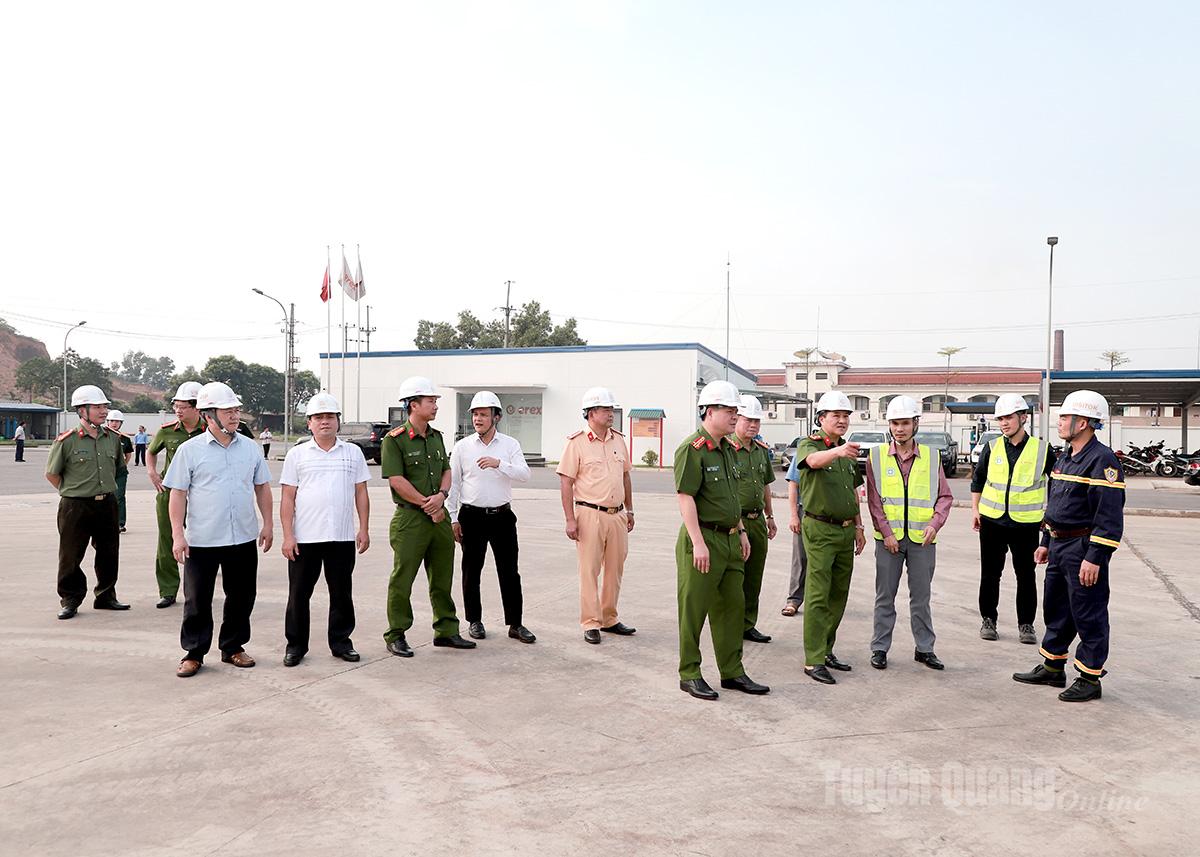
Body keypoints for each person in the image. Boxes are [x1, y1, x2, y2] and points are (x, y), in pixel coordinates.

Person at [1014, 390, 1124, 703]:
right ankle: (1053, 666)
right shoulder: (1066, 456)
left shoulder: (1102, 460)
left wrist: (1095, 557)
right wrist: (1046, 540)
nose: (1060, 422)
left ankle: (1090, 678)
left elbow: (1109, 516)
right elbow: (1058, 503)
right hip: (1060, 546)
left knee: (1088, 612)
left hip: (1083, 548)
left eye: (1065, 417)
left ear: (1085, 422)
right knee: (1057, 608)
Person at [166, 382, 273, 678]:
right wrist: (178, 533)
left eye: (236, 410)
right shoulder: (190, 451)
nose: (235, 415)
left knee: (241, 596)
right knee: (197, 599)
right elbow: (178, 494)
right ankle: (194, 653)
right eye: (228, 410)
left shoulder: (250, 448)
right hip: (203, 539)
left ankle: (233, 647)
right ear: (209, 415)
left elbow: (262, 487)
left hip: (242, 536)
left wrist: (268, 523)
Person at [675, 381, 769, 701]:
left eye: (735, 411)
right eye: (729, 411)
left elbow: (731, 498)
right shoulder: (693, 449)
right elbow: (686, 497)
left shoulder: (729, 449)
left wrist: (741, 531)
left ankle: (732, 671)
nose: (734, 416)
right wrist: (698, 542)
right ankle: (689, 672)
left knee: (732, 608)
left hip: (730, 540)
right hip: (703, 539)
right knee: (694, 610)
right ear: (710, 411)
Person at [380, 376, 474, 657]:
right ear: (413, 404)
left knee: (443, 577)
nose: (435, 406)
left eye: (435, 401)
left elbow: (446, 470)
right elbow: (396, 480)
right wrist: (427, 504)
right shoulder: (394, 440)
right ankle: (396, 633)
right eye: (431, 401)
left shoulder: (436, 437)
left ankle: (446, 630)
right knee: (403, 578)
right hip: (411, 520)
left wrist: (442, 497)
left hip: (439, 517)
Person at [279, 393, 369, 666]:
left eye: (330, 417)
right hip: (305, 538)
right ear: (309, 423)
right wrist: (288, 535)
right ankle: (295, 646)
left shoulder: (353, 453)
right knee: (298, 594)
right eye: (318, 417)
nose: (325, 422)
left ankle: (341, 643)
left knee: (341, 594)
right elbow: (287, 498)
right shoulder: (297, 455)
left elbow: (361, 493)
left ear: (338, 421)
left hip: (341, 537)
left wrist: (363, 528)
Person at [864, 396, 953, 671]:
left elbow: (945, 497)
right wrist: (886, 532)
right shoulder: (876, 456)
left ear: (916, 424)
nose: (899, 428)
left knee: (921, 598)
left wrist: (934, 524)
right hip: (888, 541)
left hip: (922, 541)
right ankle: (879, 648)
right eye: (894, 423)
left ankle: (924, 649)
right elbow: (874, 500)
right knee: (885, 597)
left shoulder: (932, 456)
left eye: (904, 423)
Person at [448, 391, 536, 644]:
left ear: (496, 417)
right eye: (475, 414)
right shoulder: (462, 447)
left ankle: (516, 624)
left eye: (484, 414)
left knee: (509, 571)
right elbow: (453, 485)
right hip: (471, 517)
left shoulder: (510, 445)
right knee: (471, 570)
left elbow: (524, 474)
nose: (478, 419)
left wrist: (500, 464)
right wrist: (453, 518)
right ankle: (474, 621)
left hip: (502, 517)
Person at [795, 391, 867, 684]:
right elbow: (811, 461)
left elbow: (854, 491)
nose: (841, 420)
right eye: (835, 415)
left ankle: (826, 649)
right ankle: (813, 659)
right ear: (821, 418)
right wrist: (837, 451)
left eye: (846, 416)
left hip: (846, 529)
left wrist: (860, 527)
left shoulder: (846, 452)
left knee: (838, 593)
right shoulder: (811, 444)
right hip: (820, 529)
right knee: (817, 594)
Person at [971, 394, 1055, 644]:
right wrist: (976, 510)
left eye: (1008, 417)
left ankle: (1026, 624)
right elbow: (978, 480)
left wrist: (1049, 517)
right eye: (1000, 419)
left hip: (1026, 524)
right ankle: (988, 619)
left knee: (1026, 576)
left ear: (1023, 418)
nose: (1004, 423)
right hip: (992, 521)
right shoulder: (992, 447)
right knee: (990, 574)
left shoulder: (1042, 450)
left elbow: (1058, 487)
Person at [556, 386, 636, 644]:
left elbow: (625, 477)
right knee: (589, 570)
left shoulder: (619, 440)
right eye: (605, 409)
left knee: (615, 569)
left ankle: (609, 618)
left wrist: (630, 509)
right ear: (590, 413)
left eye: (611, 409)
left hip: (617, 515)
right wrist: (570, 519)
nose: (610, 413)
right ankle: (591, 622)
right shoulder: (576, 442)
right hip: (589, 513)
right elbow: (566, 482)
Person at [45, 385, 129, 620]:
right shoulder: (67, 441)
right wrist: (72, 492)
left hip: (107, 504)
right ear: (82, 410)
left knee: (109, 553)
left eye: (105, 407)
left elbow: (119, 468)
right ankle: (70, 599)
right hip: (75, 506)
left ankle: (106, 596)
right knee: (71, 555)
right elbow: (52, 474)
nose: (104, 411)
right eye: (98, 407)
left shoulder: (112, 439)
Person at [148, 381, 207, 608]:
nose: (178, 410)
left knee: (201, 541)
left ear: (197, 408)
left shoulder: (209, 431)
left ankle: (198, 588)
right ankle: (168, 590)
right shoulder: (166, 431)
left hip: (200, 496)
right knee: (167, 541)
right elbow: (151, 453)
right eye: (176, 406)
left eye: (183, 406)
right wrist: (152, 472)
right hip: (170, 493)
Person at [731, 395, 777, 644]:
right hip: (735, 523)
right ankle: (732, 624)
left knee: (754, 575)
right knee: (735, 576)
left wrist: (770, 516)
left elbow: (766, 486)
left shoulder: (761, 451)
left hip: (757, 520)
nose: (754, 425)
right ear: (736, 418)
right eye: (749, 420)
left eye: (757, 421)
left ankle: (748, 624)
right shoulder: (727, 449)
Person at [781, 447, 809, 617]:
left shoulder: (842, 451)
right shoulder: (804, 451)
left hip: (831, 516)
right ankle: (794, 599)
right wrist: (793, 515)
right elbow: (793, 484)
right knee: (801, 557)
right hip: (805, 511)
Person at [105, 410, 133, 533]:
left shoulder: (125, 439)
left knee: (119, 497)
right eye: (112, 421)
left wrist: (122, 466)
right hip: (105, 472)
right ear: (107, 422)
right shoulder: (102, 437)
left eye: (117, 421)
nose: (114, 423)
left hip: (120, 473)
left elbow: (128, 455)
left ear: (121, 423)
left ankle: (120, 523)